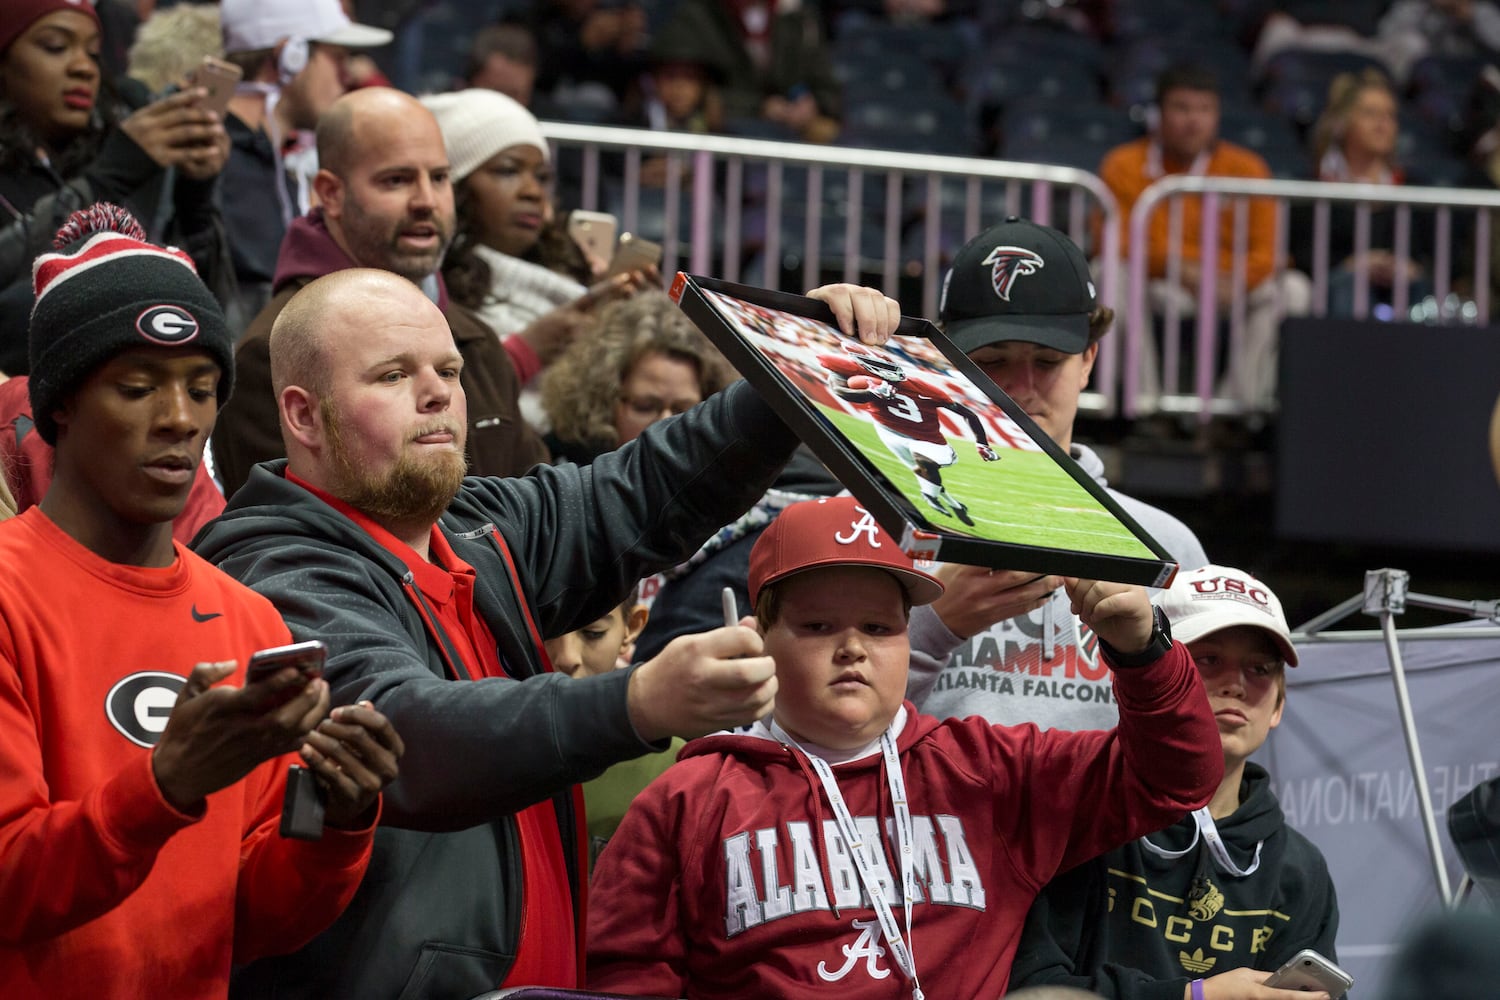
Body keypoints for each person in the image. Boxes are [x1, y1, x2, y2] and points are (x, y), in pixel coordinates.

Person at [193, 268, 903, 998]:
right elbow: (402, 734)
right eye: (392, 375)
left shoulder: (474, 528)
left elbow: (645, 487)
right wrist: (639, 703)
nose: (437, 393)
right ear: (305, 417)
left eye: (449, 371)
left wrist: (795, 371)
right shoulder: (269, 566)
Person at [585, 494, 1224, 998]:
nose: (853, 647)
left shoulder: (988, 772)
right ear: (758, 639)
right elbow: (622, 981)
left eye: (878, 626)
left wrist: (1143, 652)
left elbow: (1175, 780)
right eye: (816, 626)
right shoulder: (689, 799)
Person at [0, 204, 403, 997]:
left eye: (201, 388)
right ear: (62, 406)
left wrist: (339, 822)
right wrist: (166, 787)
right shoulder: (10, 592)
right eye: (138, 387)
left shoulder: (246, 615)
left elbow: (251, 918)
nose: (178, 420)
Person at [905, 217, 1209, 731]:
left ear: (1088, 360)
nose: (1021, 387)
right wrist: (934, 626)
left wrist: (1145, 650)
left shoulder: (1166, 545)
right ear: (948, 362)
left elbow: (1206, 744)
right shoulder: (886, 519)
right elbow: (821, 734)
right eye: (993, 359)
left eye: (1047, 360)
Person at [1009, 565, 1341, 1000]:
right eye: (1208, 660)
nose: (1236, 685)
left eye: (1259, 668)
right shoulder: (1087, 813)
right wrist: (1194, 996)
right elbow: (1032, 990)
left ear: (1279, 706)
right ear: (1160, 675)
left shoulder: (1299, 868)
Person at [210, 86, 548, 497]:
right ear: (331, 193)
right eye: (397, 180)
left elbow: (536, 518)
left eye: (439, 178)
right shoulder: (274, 352)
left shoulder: (475, 340)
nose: (427, 201)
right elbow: (284, 538)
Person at [0, 0, 232, 375]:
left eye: (93, 52)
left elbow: (205, 309)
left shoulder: (121, 145)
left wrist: (196, 196)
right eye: (55, 46)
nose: (82, 67)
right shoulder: (122, 157)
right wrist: (105, 179)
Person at [421, 86, 654, 425]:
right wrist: (529, 348)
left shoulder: (578, 276)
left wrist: (632, 318)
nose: (532, 191)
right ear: (455, 186)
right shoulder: (431, 287)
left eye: (542, 177)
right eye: (508, 170)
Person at [1099, 64, 1311, 412]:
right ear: (1159, 114)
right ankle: (1146, 406)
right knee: (1108, 274)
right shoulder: (1123, 164)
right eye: (1182, 108)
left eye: (1204, 110)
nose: (1193, 121)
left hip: (1229, 285)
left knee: (1293, 289)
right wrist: (1177, 267)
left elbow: (1269, 250)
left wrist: (1237, 280)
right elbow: (1115, 241)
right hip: (1158, 283)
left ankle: (1234, 410)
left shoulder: (1247, 168)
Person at [216, 0, 393, 331]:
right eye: (337, 57)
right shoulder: (218, 162)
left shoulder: (273, 166)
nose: (347, 76)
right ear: (290, 55)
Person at [539, 287, 735, 462]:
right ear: (602, 405)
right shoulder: (560, 478)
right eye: (645, 407)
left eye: (685, 411)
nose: (665, 425)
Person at [819, 339, 1002, 526]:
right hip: (887, 431)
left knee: (924, 462)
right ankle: (954, 504)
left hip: (928, 438)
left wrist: (981, 443)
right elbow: (840, 390)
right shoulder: (852, 371)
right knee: (920, 472)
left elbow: (967, 413)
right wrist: (873, 394)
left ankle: (929, 496)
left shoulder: (923, 388)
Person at [1295, 69, 1430, 318]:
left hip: (1401, 291)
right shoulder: (1314, 185)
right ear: (1341, 122)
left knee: (1422, 288)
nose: (1383, 124)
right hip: (1335, 292)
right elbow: (1302, 255)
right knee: (1350, 284)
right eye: (1370, 114)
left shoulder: (1414, 186)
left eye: (1390, 115)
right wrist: (1354, 265)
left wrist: (1406, 268)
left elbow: (1434, 254)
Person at [649, 0, 842, 142]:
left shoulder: (799, 17)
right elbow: (699, 90)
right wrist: (760, 107)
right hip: (726, 131)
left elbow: (828, 89)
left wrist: (813, 104)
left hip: (790, 130)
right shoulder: (698, 12)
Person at [464, 22, 539, 106]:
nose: (505, 104)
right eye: (497, 92)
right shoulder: (448, 111)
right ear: (469, 85)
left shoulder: (548, 118)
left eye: (514, 95)